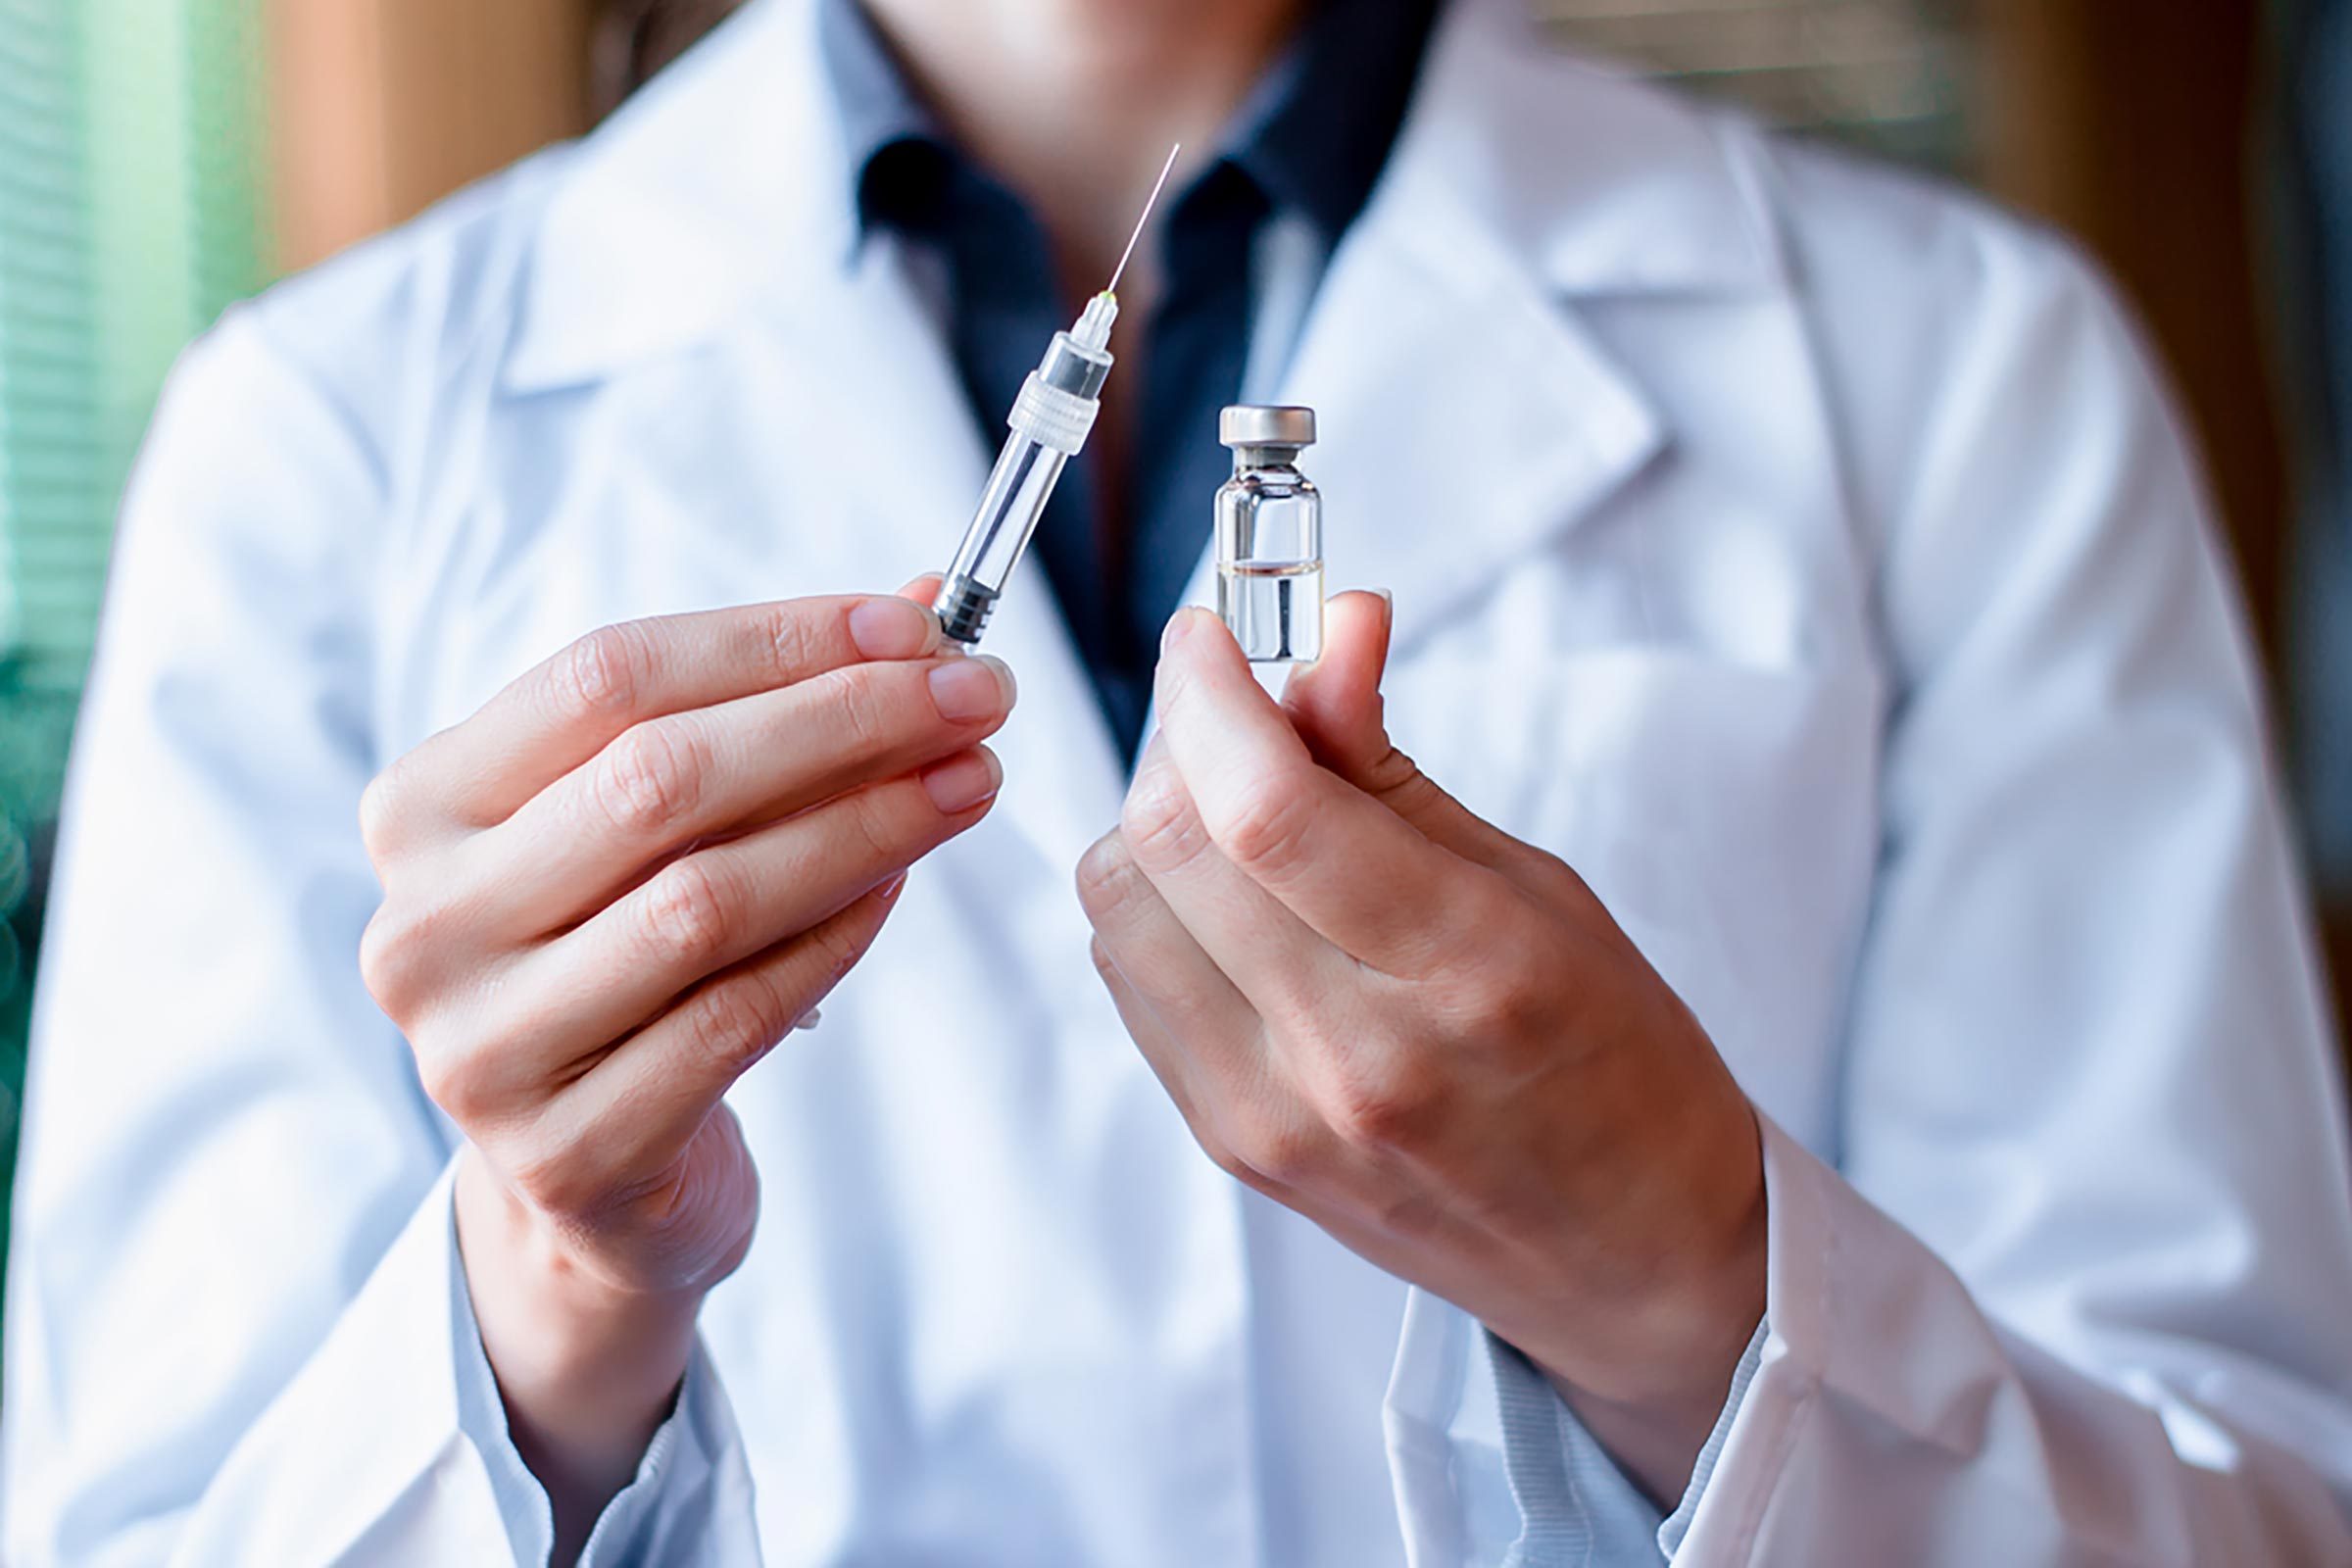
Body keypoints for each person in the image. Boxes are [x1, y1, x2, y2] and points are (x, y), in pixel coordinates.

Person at [8, 0, 2352, 1561]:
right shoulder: (322, 437)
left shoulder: (1953, 373)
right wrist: (538, 1301)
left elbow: (2243, 1497)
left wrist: (1680, 1273)